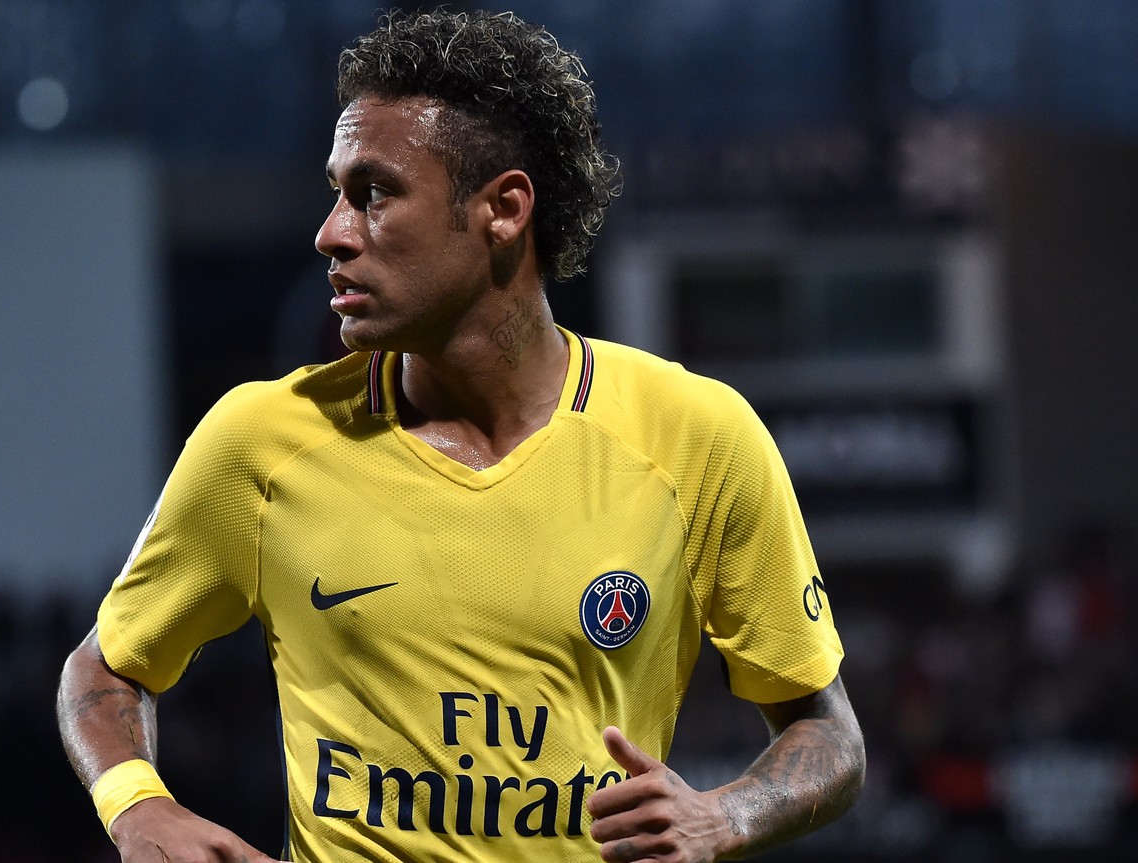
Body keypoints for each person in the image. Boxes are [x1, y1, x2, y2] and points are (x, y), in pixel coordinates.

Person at [58, 9, 865, 862]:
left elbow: (829, 734)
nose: (331, 232)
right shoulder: (261, 441)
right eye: (336, 193)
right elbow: (104, 669)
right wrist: (136, 804)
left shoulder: (698, 438)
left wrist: (724, 816)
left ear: (503, 210)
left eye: (373, 193)